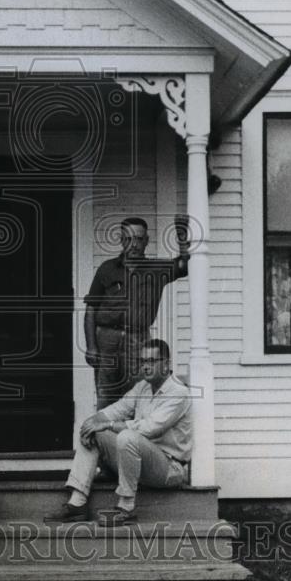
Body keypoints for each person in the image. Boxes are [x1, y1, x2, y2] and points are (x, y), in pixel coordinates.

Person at [46, 339, 191, 525]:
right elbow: (119, 408)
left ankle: (126, 507)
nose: (146, 367)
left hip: (168, 468)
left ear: (167, 364)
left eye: (152, 361)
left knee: (127, 436)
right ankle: (77, 504)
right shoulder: (143, 387)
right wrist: (94, 421)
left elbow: (150, 428)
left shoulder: (179, 392)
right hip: (139, 463)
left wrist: (108, 424)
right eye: (143, 361)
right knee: (92, 430)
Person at [84, 216, 189, 410]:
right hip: (106, 339)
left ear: (146, 241)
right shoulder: (106, 268)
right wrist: (91, 346)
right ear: (121, 240)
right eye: (128, 239)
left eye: (139, 239)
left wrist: (182, 240)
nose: (134, 244)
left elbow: (184, 267)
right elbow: (91, 308)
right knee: (106, 393)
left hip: (137, 340)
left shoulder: (157, 270)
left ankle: (128, 438)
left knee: (137, 393)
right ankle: (102, 438)